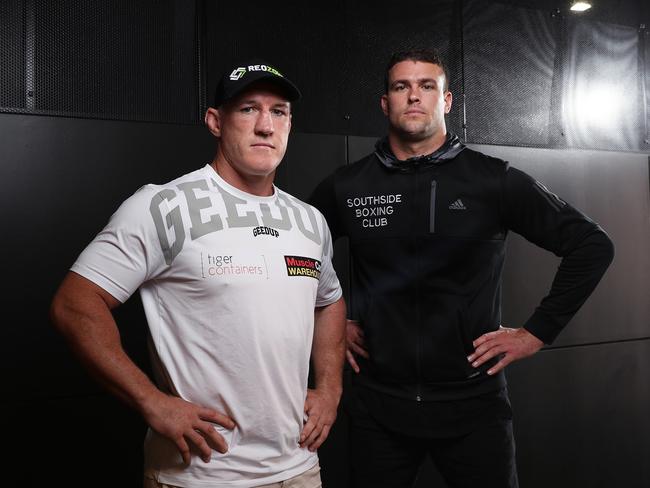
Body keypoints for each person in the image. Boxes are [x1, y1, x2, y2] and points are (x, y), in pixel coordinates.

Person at [309, 48, 614, 488]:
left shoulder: (492, 180)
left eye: (427, 86)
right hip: (379, 409)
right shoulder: (349, 186)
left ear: (446, 100)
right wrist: (330, 324)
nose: (414, 96)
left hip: (474, 409)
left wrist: (537, 332)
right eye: (401, 87)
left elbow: (592, 245)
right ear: (385, 103)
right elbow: (291, 258)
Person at [50, 59, 346, 488]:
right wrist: (152, 402)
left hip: (298, 469)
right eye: (248, 109)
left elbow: (330, 299)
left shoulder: (309, 220)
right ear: (215, 121)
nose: (266, 125)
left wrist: (330, 390)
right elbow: (73, 305)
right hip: (200, 474)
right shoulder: (162, 207)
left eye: (278, 111)